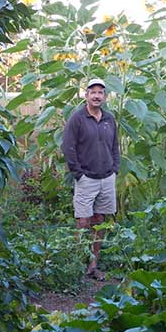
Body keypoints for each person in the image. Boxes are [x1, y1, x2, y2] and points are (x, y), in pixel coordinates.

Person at [61, 78, 119, 280]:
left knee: (99, 220)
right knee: (83, 221)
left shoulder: (109, 119)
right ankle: (76, 263)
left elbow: (115, 147)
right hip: (86, 178)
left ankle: (93, 265)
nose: (96, 96)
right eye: (92, 92)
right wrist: (78, 173)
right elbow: (68, 147)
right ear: (86, 95)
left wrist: (115, 169)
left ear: (104, 97)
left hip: (107, 177)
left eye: (100, 92)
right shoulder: (77, 119)